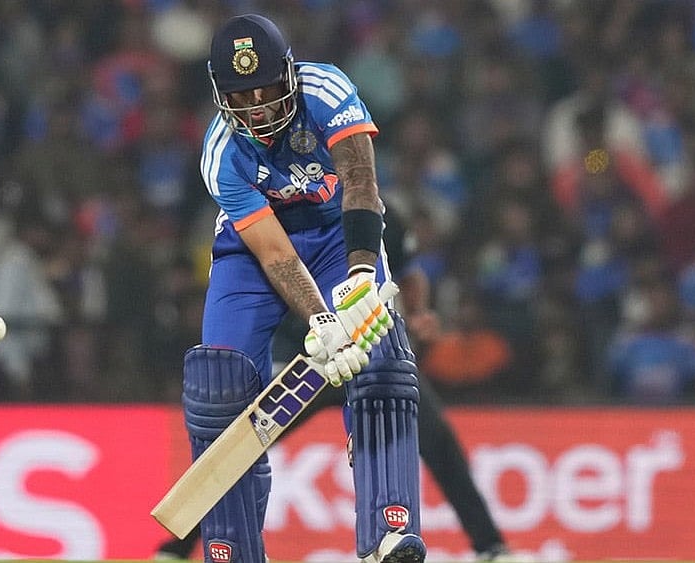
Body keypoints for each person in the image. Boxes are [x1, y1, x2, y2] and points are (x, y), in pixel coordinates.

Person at [178, 14, 424, 563]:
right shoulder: (221, 153)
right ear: (220, 93)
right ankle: (231, 550)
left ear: (290, 72)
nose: (258, 107)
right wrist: (320, 320)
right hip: (254, 250)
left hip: (339, 232)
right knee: (220, 383)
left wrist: (361, 281)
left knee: (380, 359)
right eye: (242, 95)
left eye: (266, 88)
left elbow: (361, 181)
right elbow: (272, 251)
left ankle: (389, 527)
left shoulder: (327, 89)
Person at [157, 264, 512, 562]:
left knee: (439, 442)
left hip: (367, 355)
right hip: (306, 358)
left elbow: (408, 271)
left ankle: (490, 546)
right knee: (242, 444)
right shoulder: (282, 216)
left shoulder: (371, 215)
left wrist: (417, 314)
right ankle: (180, 548)